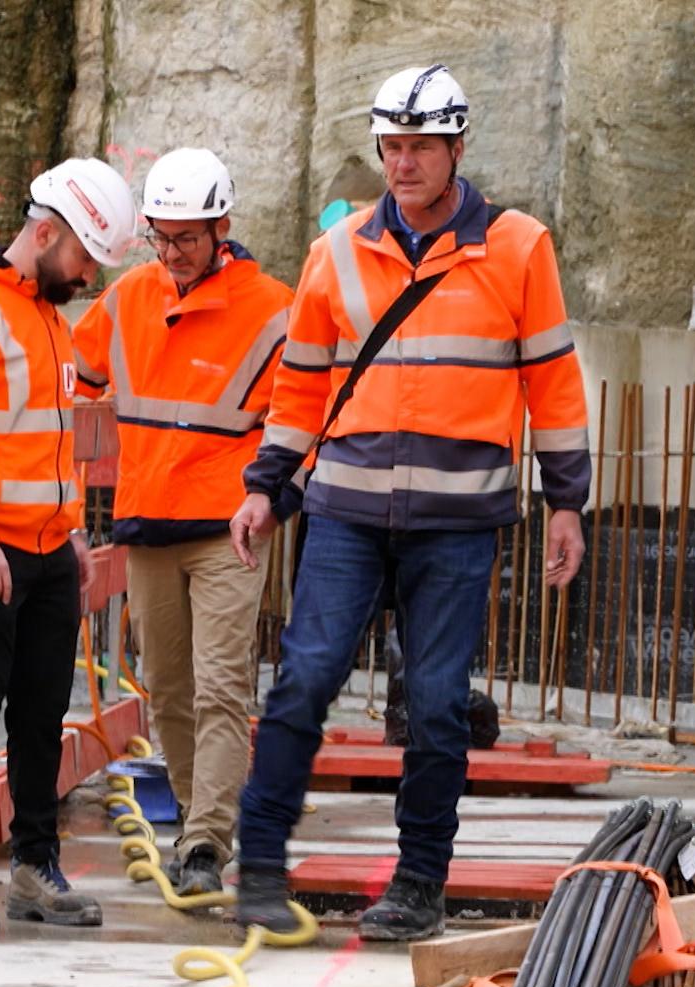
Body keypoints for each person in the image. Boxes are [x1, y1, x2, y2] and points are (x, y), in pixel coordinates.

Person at [229, 64, 592, 942]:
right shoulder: (337, 251)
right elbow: (301, 387)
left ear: (457, 149)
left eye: (421, 147)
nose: (403, 164)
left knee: (434, 703)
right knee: (304, 680)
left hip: (458, 522)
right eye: (391, 147)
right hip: (346, 511)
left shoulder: (518, 247)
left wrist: (567, 503)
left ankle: (419, 882)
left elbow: (554, 382)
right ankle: (262, 867)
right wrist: (265, 489)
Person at [0, 157, 137, 934]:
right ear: (44, 233)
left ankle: (36, 866)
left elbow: (55, 440)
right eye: (81, 259)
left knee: (43, 711)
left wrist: (72, 529)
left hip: (43, 546)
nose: (85, 277)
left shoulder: (47, 318)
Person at [72, 148, 293, 897]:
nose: (172, 254)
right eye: (161, 239)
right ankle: (201, 820)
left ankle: (204, 841)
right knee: (166, 685)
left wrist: (268, 493)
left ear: (222, 227)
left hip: (229, 527)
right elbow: (74, 379)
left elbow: (299, 416)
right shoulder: (129, 298)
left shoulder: (271, 307)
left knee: (221, 685)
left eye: (187, 239)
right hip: (147, 522)